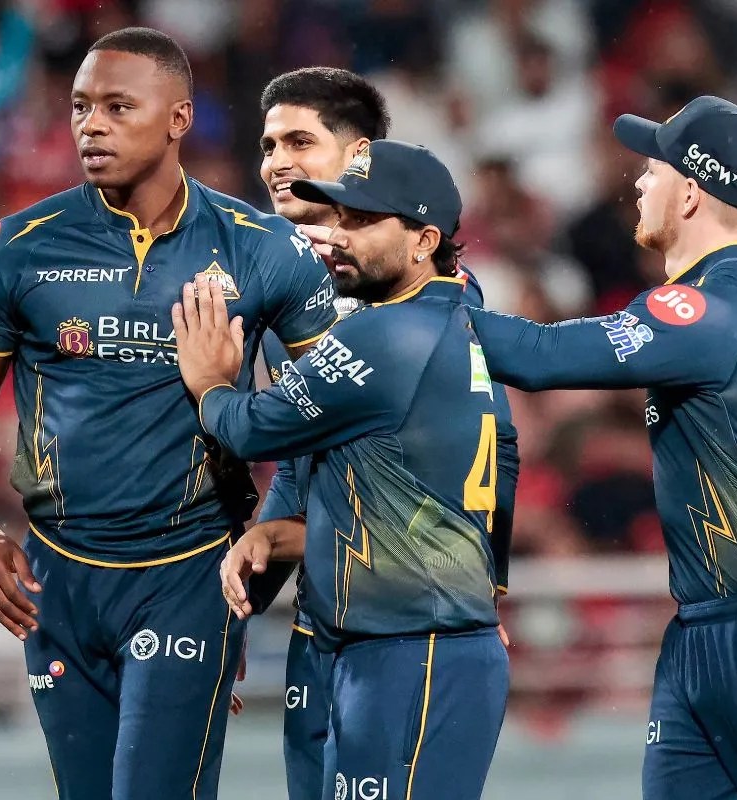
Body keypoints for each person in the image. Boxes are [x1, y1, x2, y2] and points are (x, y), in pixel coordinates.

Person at [0, 28, 336, 800]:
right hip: (57, 582)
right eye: (81, 106)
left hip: (188, 577)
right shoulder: (19, 248)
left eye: (118, 107)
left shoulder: (264, 251)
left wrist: (262, 567)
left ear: (179, 118)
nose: (92, 125)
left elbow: (332, 422)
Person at [464, 97, 737, 799]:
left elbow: (538, 356)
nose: (639, 182)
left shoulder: (705, 312)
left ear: (691, 192)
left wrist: (427, 300)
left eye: (653, 169)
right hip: (724, 627)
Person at [174, 139, 511, 800]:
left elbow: (249, 427)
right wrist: (280, 535)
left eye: (362, 222)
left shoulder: (379, 333)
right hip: (413, 644)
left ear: (424, 242)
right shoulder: (454, 322)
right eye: (339, 218)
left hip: (413, 651)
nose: (339, 236)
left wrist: (210, 384)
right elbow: (400, 494)